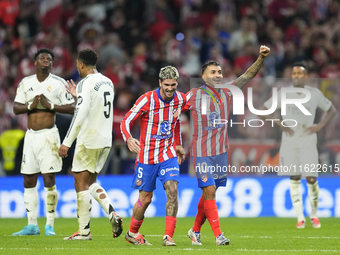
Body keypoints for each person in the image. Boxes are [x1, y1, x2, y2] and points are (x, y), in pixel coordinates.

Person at [184, 45, 271, 245]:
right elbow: (174, 107)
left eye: (219, 72)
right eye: (213, 72)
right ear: (204, 77)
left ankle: (195, 230)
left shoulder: (227, 91)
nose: (217, 75)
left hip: (220, 152)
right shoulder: (194, 94)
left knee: (209, 192)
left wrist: (261, 57)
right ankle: (218, 236)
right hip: (201, 152)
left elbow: (248, 75)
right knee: (210, 191)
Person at [259, 63, 336, 228]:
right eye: (294, 73)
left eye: (300, 74)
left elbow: (332, 110)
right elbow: (263, 110)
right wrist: (278, 123)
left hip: (308, 140)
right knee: (294, 180)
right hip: (289, 141)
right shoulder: (283, 94)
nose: (296, 76)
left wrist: (320, 126)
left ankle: (314, 215)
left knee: (311, 180)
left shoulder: (314, 94)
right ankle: (300, 217)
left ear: (305, 77)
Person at [58, 48, 123, 240]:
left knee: (80, 183)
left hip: (88, 138)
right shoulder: (107, 81)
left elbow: (80, 114)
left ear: (80, 64)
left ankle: (84, 231)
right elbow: (96, 105)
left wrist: (67, 142)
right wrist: (78, 97)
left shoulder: (85, 83)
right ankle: (112, 212)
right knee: (91, 182)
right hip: (105, 139)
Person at [120, 66, 186, 246]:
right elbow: (126, 120)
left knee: (172, 190)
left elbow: (177, 122)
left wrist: (178, 143)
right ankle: (132, 233)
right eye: (166, 85)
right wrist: (128, 138)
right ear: (159, 83)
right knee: (145, 199)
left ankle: (168, 236)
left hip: (168, 154)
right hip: (146, 157)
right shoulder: (147, 100)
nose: (170, 88)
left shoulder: (180, 99)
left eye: (173, 84)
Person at [12, 48, 75, 236]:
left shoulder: (58, 83)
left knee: (49, 178)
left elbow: (73, 107)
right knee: (28, 179)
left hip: (49, 136)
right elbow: (16, 108)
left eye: (49, 58)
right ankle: (32, 225)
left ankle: (49, 225)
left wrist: (51, 105)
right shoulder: (26, 83)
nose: (45, 60)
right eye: (42, 58)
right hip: (30, 136)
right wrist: (31, 105)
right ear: (35, 62)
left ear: (52, 64)